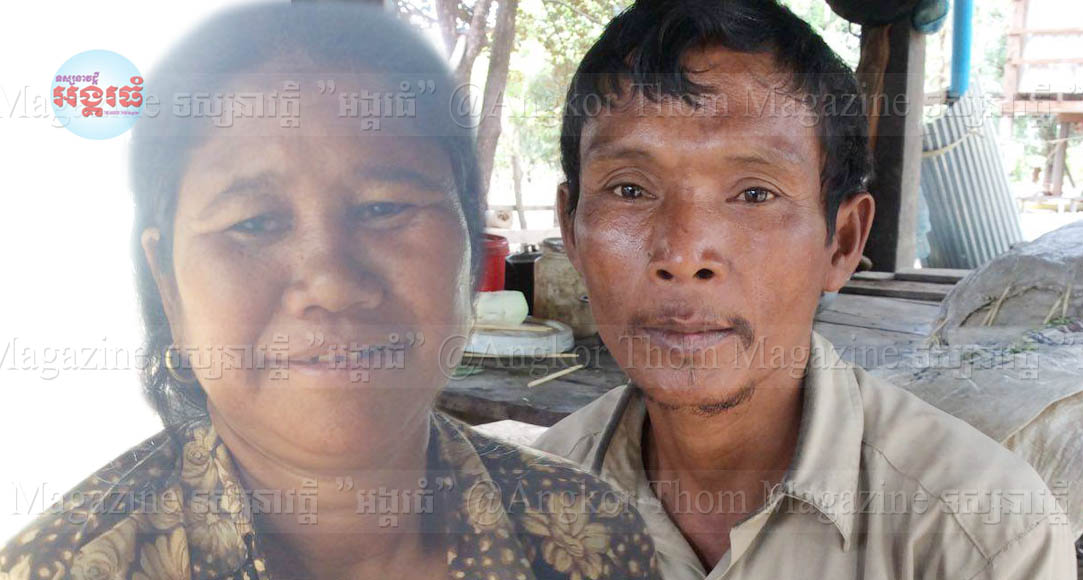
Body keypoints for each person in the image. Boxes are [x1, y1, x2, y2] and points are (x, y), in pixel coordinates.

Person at [0, 5, 662, 579]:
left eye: (383, 208)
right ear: (167, 284)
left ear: (466, 246)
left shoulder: (590, 538)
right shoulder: (67, 567)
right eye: (253, 223)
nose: (332, 284)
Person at [531, 0, 1076, 578]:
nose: (683, 255)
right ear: (571, 230)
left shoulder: (982, 538)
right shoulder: (527, 504)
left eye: (755, 194)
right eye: (630, 190)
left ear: (842, 243)